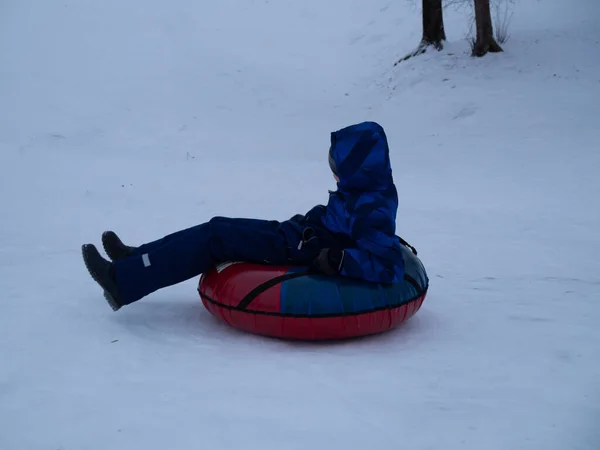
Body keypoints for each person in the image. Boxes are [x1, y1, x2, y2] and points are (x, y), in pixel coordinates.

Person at [82, 121, 406, 311]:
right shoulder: (366, 189)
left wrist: (338, 260)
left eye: (338, 169)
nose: (334, 176)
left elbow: (390, 265)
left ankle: (121, 282)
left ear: (357, 167)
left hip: (301, 249)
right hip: (298, 233)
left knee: (214, 238)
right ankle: (135, 257)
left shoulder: (371, 208)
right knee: (216, 227)